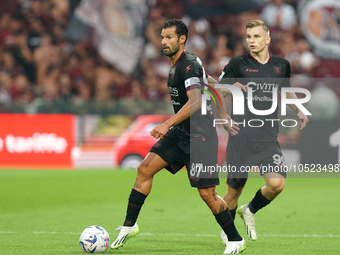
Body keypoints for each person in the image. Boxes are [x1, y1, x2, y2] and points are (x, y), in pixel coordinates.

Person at [110, 18, 246, 254]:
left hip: (201, 138)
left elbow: (194, 102)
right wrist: (224, 114)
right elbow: (211, 86)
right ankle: (129, 226)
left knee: (207, 194)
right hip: (181, 134)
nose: (164, 42)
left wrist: (167, 123)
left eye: (169, 37)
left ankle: (235, 239)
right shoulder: (179, 64)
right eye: (162, 37)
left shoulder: (189, 64)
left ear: (181, 39)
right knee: (144, 169)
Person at [217, 20, 309, 242]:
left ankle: (249, 210)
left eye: (256, 36)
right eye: (248, 36)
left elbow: (286, 91)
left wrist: (299, 110)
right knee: (234, 191)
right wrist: (228, 104)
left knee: (277, 184)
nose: (251, 41)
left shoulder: (282, 65)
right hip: (241, 136)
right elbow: (216, 90)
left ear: (267, 39)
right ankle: (229, 234)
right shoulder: (237, 64)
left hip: (267, 137)